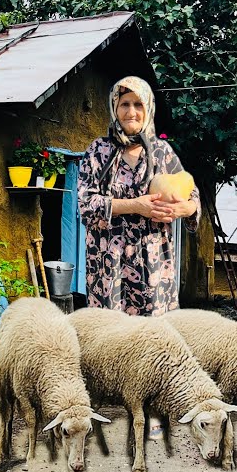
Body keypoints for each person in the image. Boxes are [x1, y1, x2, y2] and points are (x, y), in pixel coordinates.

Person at [78, 76, 200, 317]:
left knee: (152, 343)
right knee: (110, 339)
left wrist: (185, 209)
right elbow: (86, 205)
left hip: (153, 268)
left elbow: (191, 194)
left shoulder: (162, 152)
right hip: (107, 268)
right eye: (124, 104)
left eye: (138, 104)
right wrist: (135, 205)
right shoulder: (98, 151)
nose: (131, 112)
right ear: (115, 107)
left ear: (148, 108)